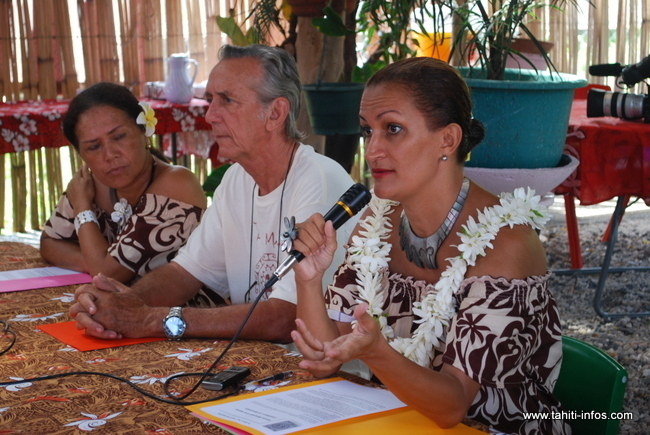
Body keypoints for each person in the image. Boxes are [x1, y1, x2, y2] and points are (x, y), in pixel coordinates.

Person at [289, 57, 569, 435]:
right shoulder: (375, 223)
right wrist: (309, 277)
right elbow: (327, 356)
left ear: (447, 140)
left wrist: (375, 352)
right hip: (400, 422)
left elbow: (452, 405)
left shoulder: (507, 243)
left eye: (393, 129)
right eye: (367, 132)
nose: (372, 151)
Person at [68, 44, 356, 344]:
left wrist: (151, 319)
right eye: (210, 100)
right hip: (260, 365)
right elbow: (184, 273)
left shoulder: (318, 181)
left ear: (275, 113)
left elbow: (286, 318)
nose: (210, 115)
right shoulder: (236, 179)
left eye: (226, 100)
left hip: (325, 379)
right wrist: (119, 303)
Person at [41, 82, 207, 284]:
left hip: (179, 311)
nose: (110, 155)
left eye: (119, 137)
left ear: (143, 131)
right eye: (94, 147)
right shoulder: (90, 184)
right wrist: (96, 261)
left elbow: (106, 274)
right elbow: (49, 242)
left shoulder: (177, 184)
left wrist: (83, 208)